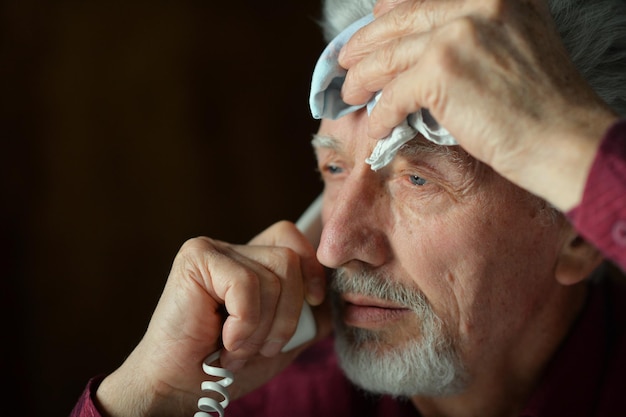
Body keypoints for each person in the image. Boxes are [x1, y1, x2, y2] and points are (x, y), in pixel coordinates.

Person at [71, 0, 626, 416]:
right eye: (334, 170)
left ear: (579, 232)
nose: (333, 246)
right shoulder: (260, 397)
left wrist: (573, 142)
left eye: (417, 179)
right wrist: (149, 398)